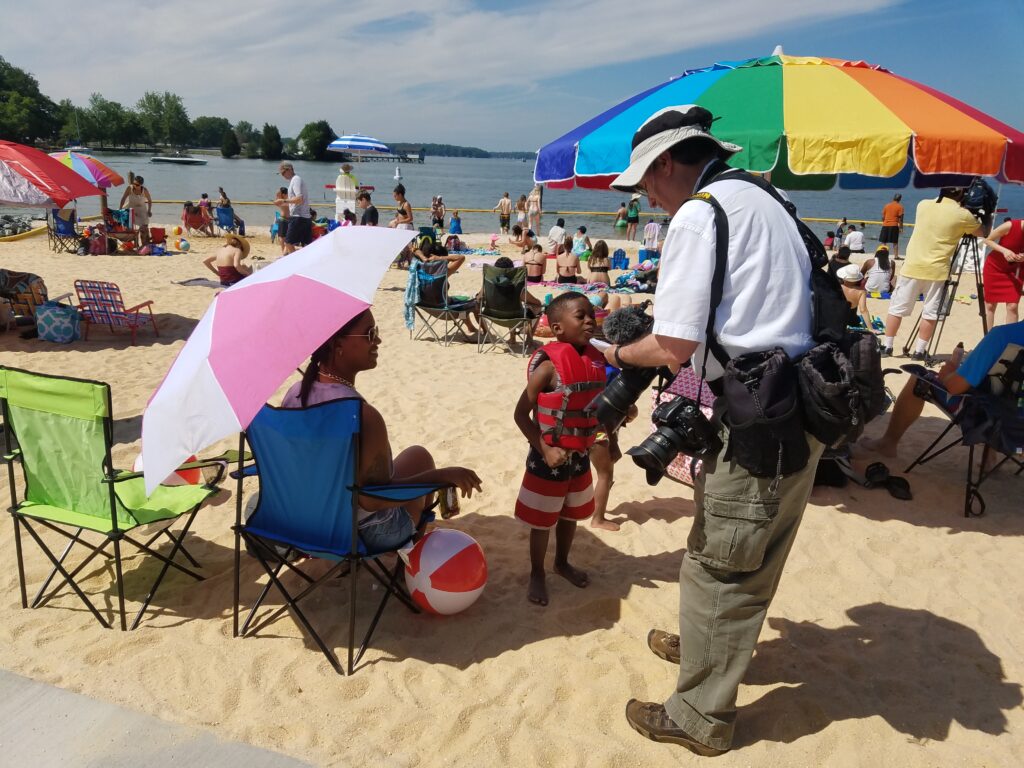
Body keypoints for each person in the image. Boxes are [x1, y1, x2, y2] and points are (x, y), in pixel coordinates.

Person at [602, 104, 821, 756]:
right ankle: (707, 651)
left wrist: (618, 358)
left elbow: (674, 342)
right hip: (800, 404)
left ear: (669, 162)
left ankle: (699, 716)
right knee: (751, 556)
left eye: (646, 182)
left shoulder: (701, 214)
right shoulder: (761, 195)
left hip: (757, 417)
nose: (647, 197)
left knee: (717, 567)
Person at [282, 309, 482, 551]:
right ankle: (412, 562)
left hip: (302, 522)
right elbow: (373, 500)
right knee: (420, 457)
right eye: (369, 334)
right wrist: (442, 477)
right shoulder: (362, 415)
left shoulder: (295, 394)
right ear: (338, 345)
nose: (378, 340)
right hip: (357, 534)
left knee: (413, 458)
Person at [513, 292, 605, 605]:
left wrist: (616, 424)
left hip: (579, 456)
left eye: (592, 314)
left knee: (570, 515)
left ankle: (562, 562)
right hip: (546, 458)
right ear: (556, 328)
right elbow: (519, 415)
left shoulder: (595, 361)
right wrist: (544, 448)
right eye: (581, 316)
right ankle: (537, 571)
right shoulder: (548, 369)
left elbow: (596, 407)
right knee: (542, 521)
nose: (590, 320)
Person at [861, 320, 1024, 457]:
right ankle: (989, 459)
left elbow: (955, 387)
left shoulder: (1004, 336)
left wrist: (950, 370)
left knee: (920, 378)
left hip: (995, 419)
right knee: (1004, 392)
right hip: (1017, 425)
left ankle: (887, 443)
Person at [882, 187, 985, 359]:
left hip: (912, 266)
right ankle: (919, 351)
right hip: (937, 271)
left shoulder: (923, 205)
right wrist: (975, 213)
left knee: (896, 309)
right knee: (930, 312)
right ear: (961, 194)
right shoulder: (963, 215)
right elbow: (981, 233)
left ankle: (887, 347)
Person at [981, 217, 1024, 328]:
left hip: (1015, 271)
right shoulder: (1010, 225)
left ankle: (1010, 339)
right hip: (994, 268)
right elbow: (987, 240)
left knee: (1012, 306)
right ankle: (988, 337)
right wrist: (1004, 251)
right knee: (990, 305)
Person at [277, 162, 311, 254]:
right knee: (306, 245)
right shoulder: (295, 180)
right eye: (281, 173)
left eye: (283, 172)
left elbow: (299, 199)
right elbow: (295, 201)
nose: (283, 175)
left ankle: (295, 262)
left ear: (290, 169)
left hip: (298, 217)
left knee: (288, 243)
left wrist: (284, 201)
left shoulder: (296, 180)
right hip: (303, 216)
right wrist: (282, 203)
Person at [119, 175, 152, 246]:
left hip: (141, 209)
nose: (135, 185)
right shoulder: (129, 188)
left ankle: (145, 243)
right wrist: (120, 208)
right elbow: (123, 198)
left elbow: (149, 200)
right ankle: (135, 243)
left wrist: (149, 210)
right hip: (131, 208)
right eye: (134, 183)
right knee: (131, 227)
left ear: (141, 185)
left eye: (137, 185)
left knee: (144, 226)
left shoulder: (144, 190)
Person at [837, 263, 870, 328]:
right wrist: (871, 328)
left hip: (837, 320)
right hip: (852, 321)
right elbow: (863, 310)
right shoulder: (861, 291)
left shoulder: (838, 287)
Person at [880, 193, 905, 258]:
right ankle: (896, 256)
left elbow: (883, 217)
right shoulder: (900, 207)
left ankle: (883, 255)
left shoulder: (886, 206)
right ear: (900, 199)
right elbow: (901, 219)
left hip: (885, 225)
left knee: (883, 241)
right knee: (895, 242)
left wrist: (885, 222)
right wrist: (901, 228)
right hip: (894, 225)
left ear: (893, 198)